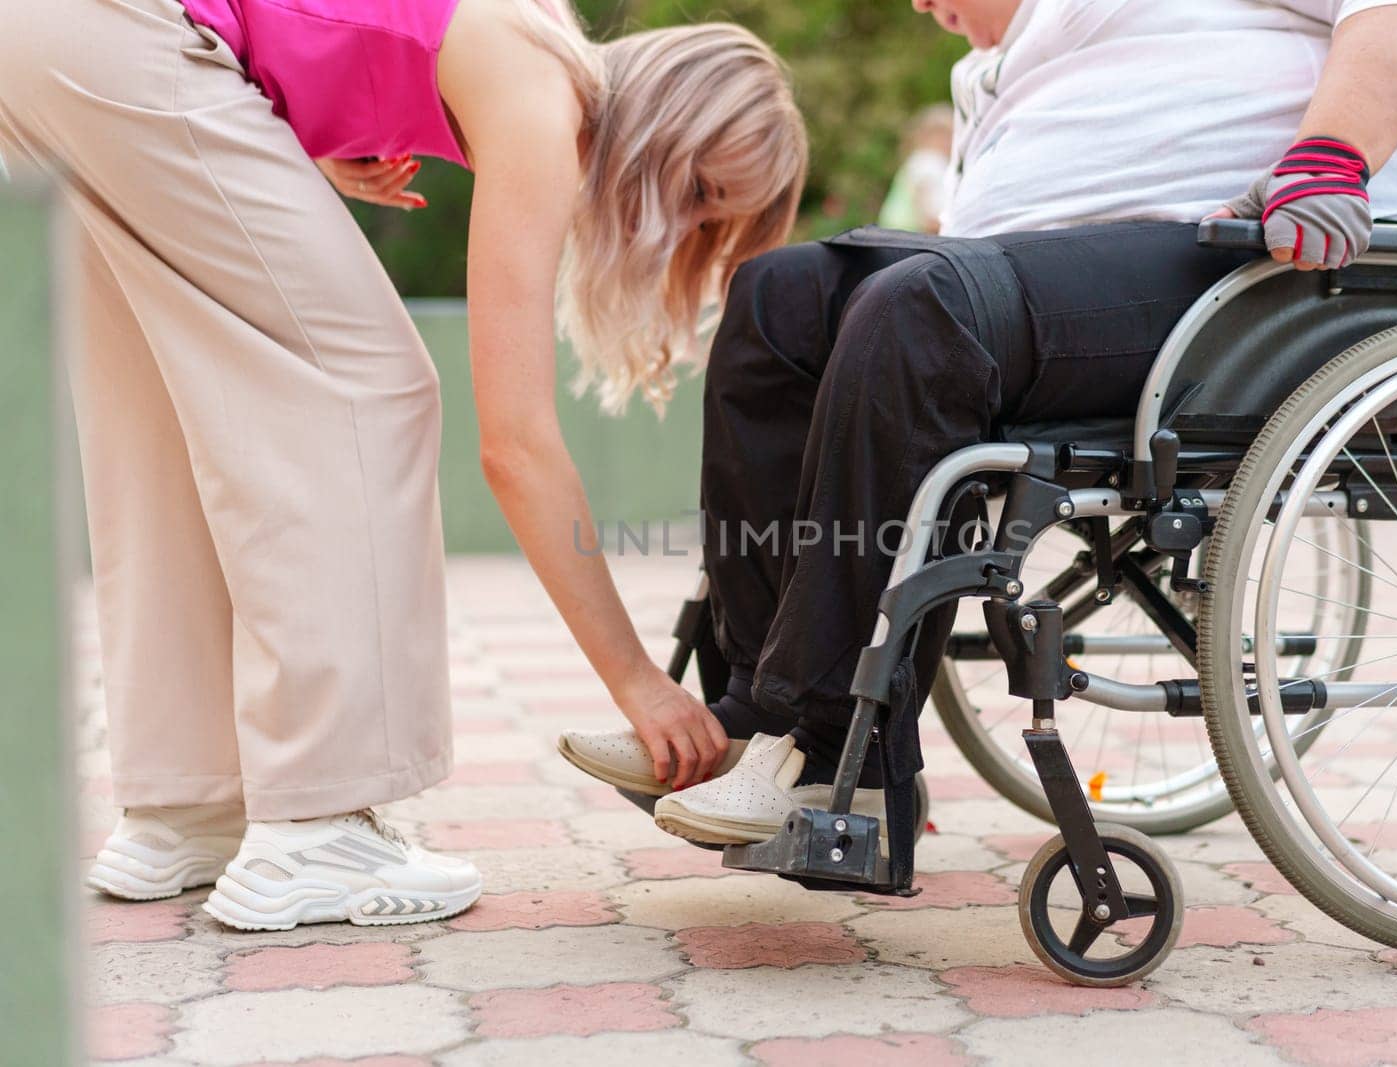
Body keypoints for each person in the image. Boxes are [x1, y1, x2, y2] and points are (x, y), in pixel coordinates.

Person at [557, 0, 1397, 847]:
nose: (920, 5)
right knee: (775, 299)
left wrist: (1333, 150)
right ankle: (757, 717)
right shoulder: (1010, 59)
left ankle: (840, 755)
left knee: (926, 310)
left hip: (1248, 267)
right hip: (1038, 282)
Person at [0, 0, 804, 928]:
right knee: (368, 386)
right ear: (671, 125)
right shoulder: (544, 99)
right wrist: (637, 681)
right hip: (131, 36)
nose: (687, 232)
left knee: (165, 415)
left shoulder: (521, 44)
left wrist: (309, 124)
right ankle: (317, 824)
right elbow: (515, 444)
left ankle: (185, 803)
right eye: (702, 194)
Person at [878, 105, 955, 234]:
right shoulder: (928, 162)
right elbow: (929, 215)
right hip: (908, 236)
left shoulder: (915, 161)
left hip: (892, 233)